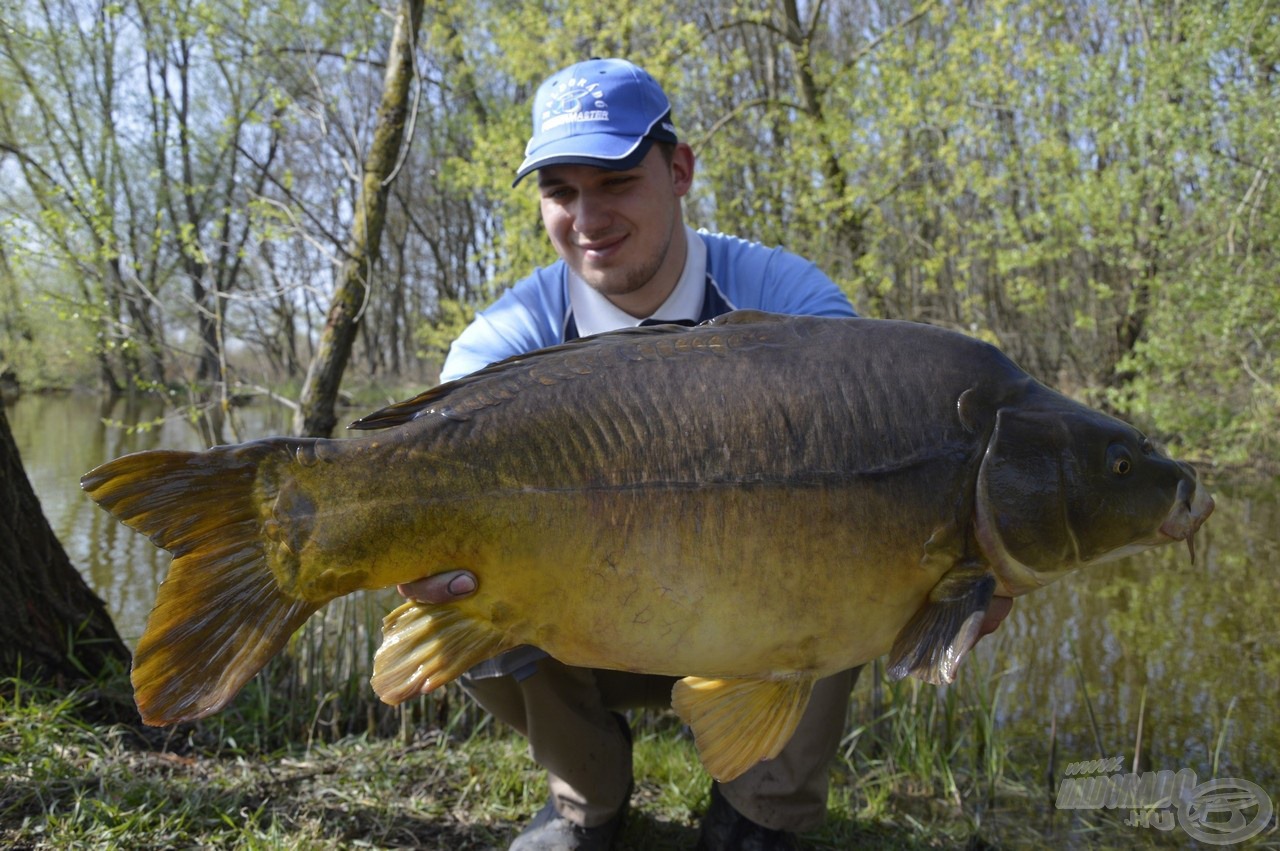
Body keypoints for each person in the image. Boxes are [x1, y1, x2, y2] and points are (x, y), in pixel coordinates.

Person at [398, 58, 1011, 851]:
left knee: (853, 556)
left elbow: (891, 471)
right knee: (459, 583)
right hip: (590, 627)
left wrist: (967, 561)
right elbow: (428, 500)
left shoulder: (795, 304)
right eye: (560, 190)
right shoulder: (503, 343)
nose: (587, 216)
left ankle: (762, 810)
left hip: (751, 617)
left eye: (615, 180)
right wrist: (417, 547)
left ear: (679, 169)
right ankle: (587, 793)